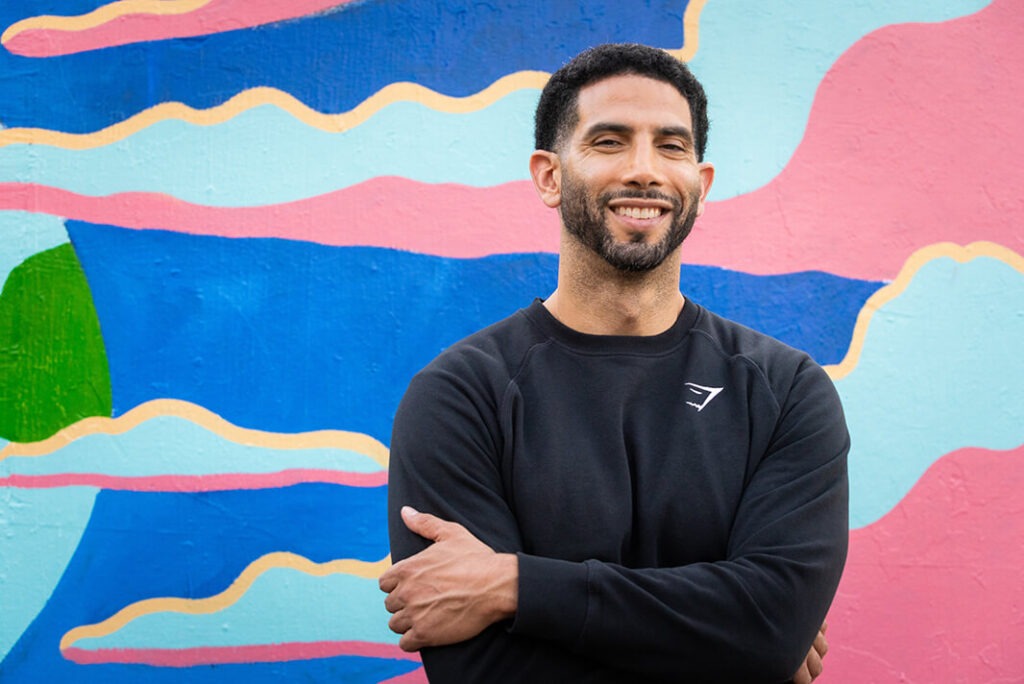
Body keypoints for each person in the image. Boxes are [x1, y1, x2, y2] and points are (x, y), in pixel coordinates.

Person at [379, 43, 848, 683]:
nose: (645, 170)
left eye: (672, 146)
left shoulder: (785, 390)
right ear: (549, 175)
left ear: (701, 186)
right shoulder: (462, 395)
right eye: (608, 141)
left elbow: (769, 624)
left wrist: (517, 586)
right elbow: (485, 671)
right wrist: (726, 640)